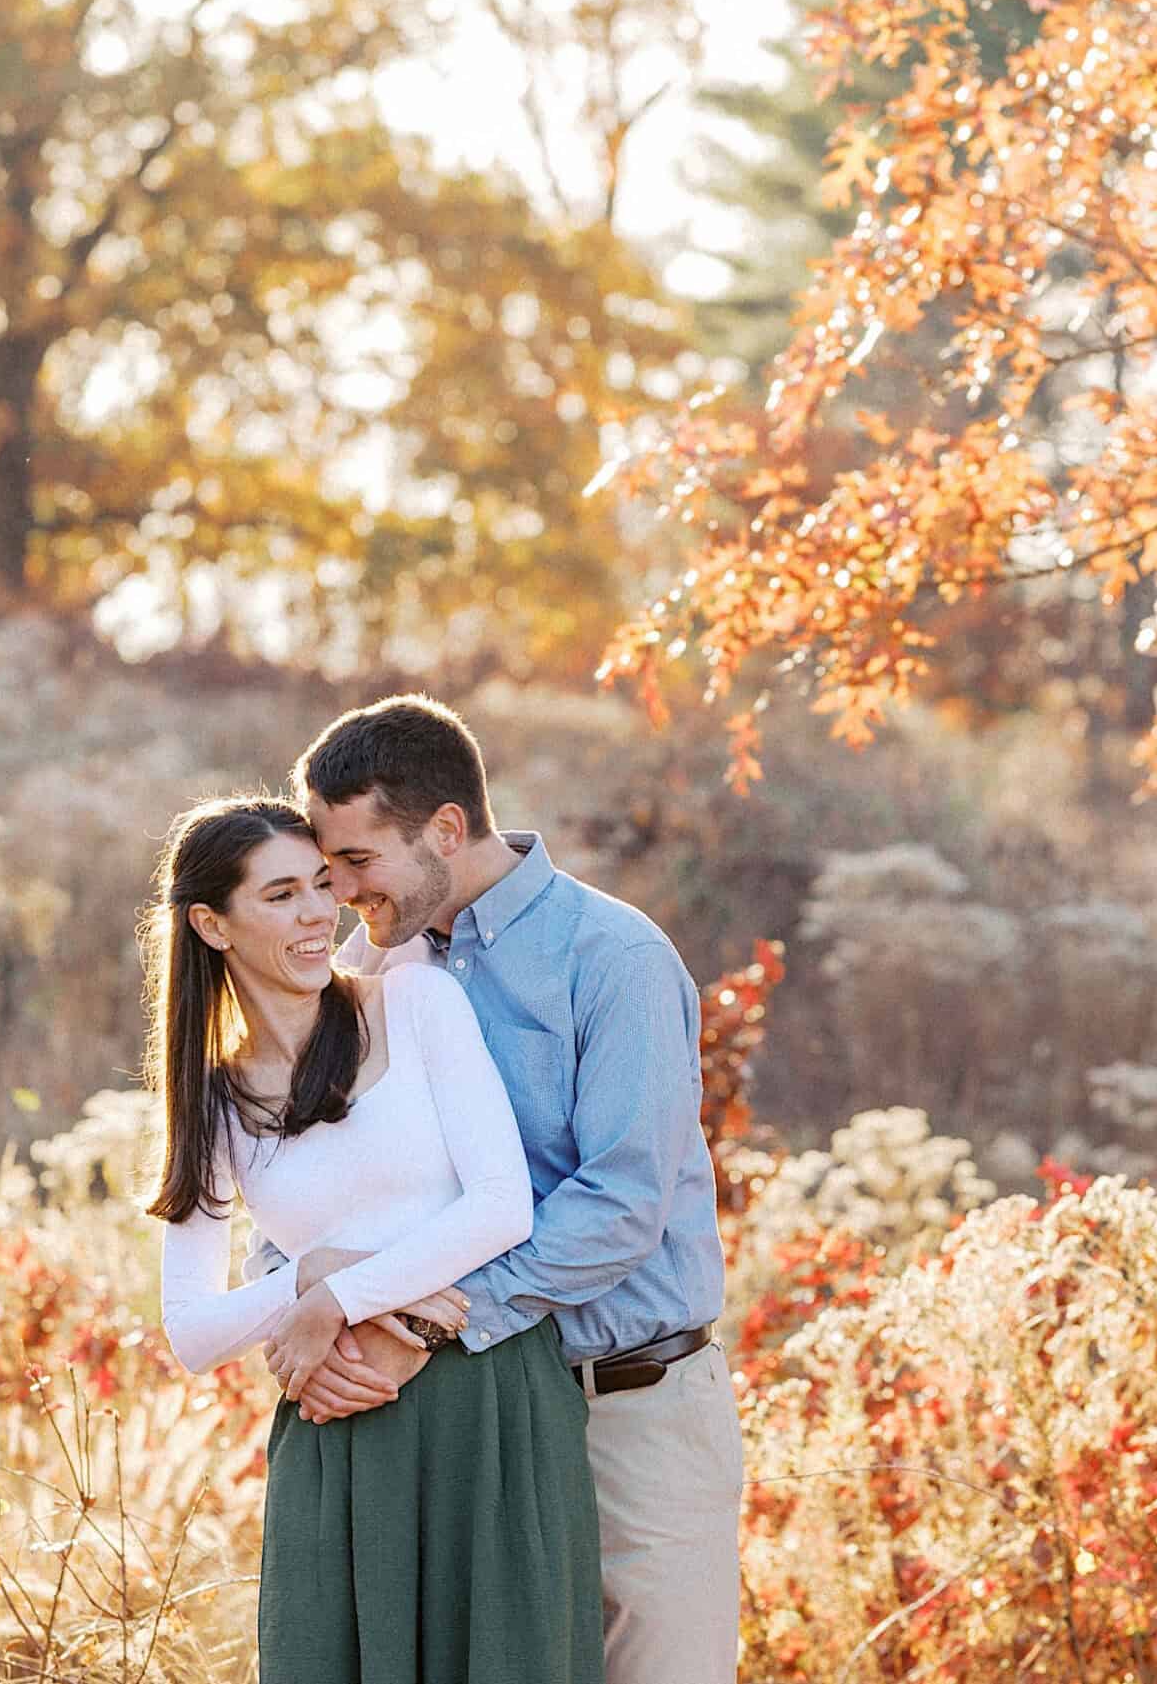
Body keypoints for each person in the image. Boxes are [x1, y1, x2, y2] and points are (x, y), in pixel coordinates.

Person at [258, 694, 744, 1684]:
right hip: (462, 1424)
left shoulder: (615, 959)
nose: (341, 894)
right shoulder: (377, 966)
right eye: (324, 868)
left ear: (446, 827)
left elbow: (619, 1203)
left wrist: (419, 1319)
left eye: (355, 862)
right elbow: (317, 1161)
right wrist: (306, 1297)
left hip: (626, 1411)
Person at [146, 797, 605, 1684]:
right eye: (281, 895)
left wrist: (340, 1299)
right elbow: (194, 1331)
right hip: (340, 1428)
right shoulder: (213, 1100)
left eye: (323, 883)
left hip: (490, 1407)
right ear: (212, 923)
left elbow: (504, 1205)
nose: (321, 913)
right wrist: (311, 1279)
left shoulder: (417, 1000)